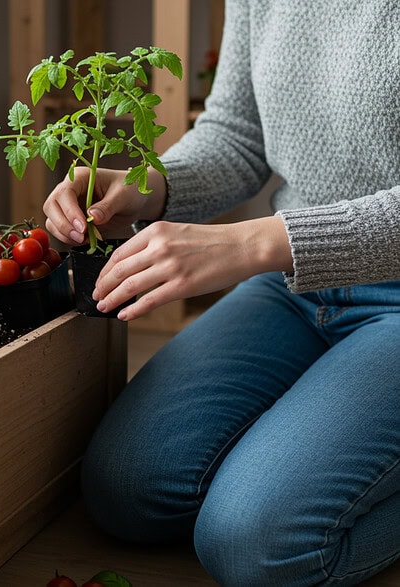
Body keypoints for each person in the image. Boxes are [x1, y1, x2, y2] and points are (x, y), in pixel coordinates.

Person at [42, 2, 400, 585]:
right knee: (125, 488)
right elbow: (237, 133)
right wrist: (145, 187)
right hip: (296, 285)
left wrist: (251, 243)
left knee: (252, 545)